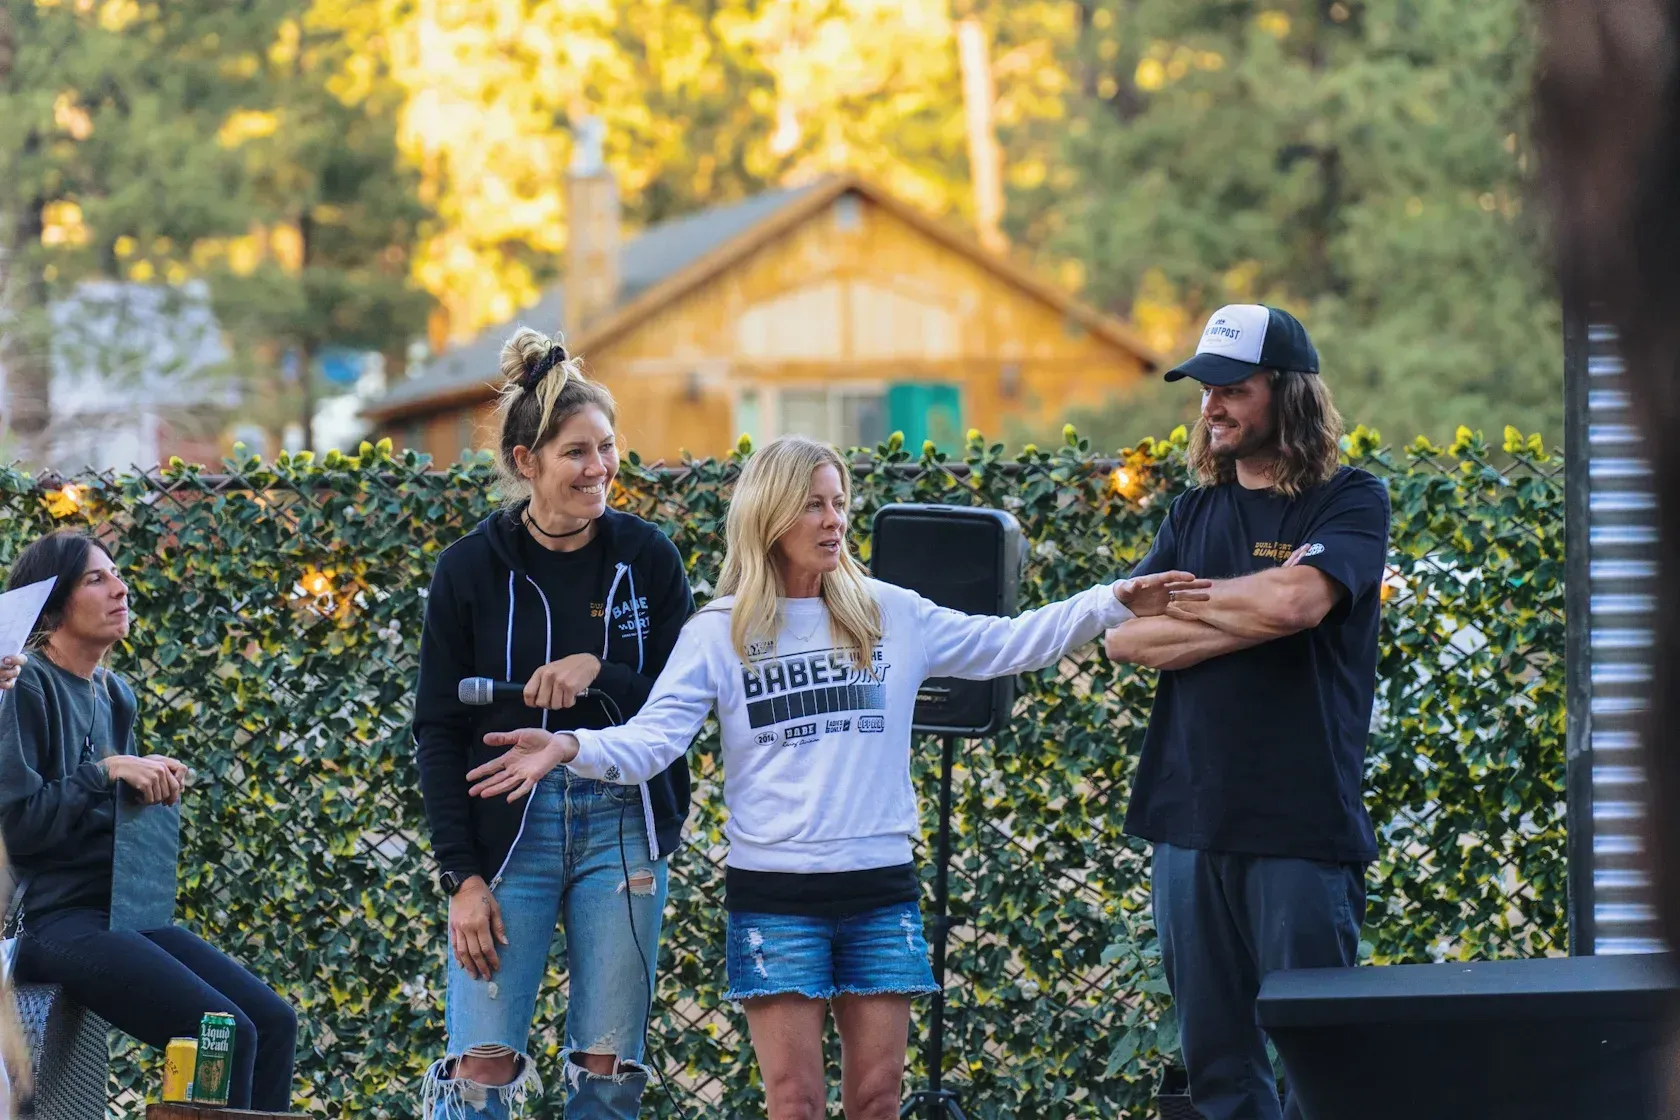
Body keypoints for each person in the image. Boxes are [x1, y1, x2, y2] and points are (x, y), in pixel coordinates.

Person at [463, 434, 1203, 1120]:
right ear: (772, 513)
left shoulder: (890, 615)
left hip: (881, 893)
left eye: (840, 503)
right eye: (814, 504)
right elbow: (653, 743)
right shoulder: (719, 631)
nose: (833, 519)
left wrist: (1109, 601)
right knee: (795, 1103)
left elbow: (1008, 643)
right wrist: (571, 749)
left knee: (878, 1099)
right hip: (776, 901)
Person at [1101, 304, 1390, 1120]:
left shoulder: (1351, 500)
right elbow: (1125, 640)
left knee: (1320, 1069)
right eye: (1203, 388)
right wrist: (1252, 613)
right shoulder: (1193, 513)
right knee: (1219, 1075)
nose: (1211, 404)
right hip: (1186, 824)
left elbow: (1301, 602)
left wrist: (1194, 607)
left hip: (1300, 828)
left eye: (1232, 386)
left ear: (1288, 392)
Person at [412, 327, 695, 1120]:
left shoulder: (649, 557)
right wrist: (462, 878)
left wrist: (596, 674)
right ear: (524, 461)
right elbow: (437, 730)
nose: (599, 469)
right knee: (480, 1073)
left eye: (607, 448)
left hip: (623, 834)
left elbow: (682, 704)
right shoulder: (468, 568)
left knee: (608, 1075)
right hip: (507, 843)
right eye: (576, 452)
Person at [0, 530, 297, 1111]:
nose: (121, 587)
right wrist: (108, 773)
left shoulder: (116, 695)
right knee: (221, 1030)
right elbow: (19, 829)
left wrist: (149, 788)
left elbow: (107, 811)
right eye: (96, 579)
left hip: (119, 912)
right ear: (53, 604)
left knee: (273, 1020)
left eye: (117, 574)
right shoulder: (23, 684)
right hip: (47, 919)